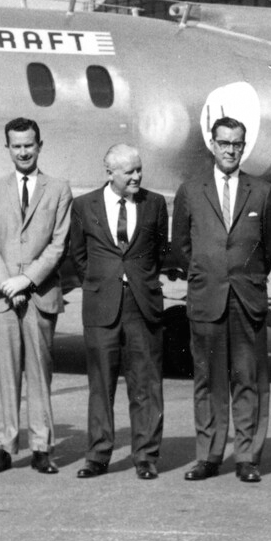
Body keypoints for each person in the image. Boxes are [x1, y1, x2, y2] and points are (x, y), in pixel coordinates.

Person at [172, 116, 271, 483]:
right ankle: (209, 455)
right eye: (224, 143)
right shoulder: (190, 190)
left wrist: (244, 277)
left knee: (248, 378)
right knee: (208, 380)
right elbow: (181, 246)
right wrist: (209, 274)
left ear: (244, 145)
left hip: (246, 299)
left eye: (237, 144)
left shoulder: (263, 192)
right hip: (207, 297)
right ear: (212, 144)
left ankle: (248, 455)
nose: (230, 150)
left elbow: (270, 248)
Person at [68, 143, 172, 479]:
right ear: (109, 171)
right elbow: (79, 256)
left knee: (146, 383)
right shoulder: (84, 206)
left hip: (142, 305)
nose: (137, 176)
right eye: (129, 171)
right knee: (101, 384)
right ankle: (98, 456)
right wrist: (104, 282)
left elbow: (159, 251)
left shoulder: (154, 203)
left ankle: (146, 456)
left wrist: (138, 280)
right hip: (102, 306)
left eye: (139, 169)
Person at [0, 118, 72, 474]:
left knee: (39, 374)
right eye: (16, 146)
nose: (23, 152)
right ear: (8, 149)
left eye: (29, 145)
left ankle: (41, 447)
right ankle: (2, 446)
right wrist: (7, 283)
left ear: (40, 145)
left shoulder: (59, 189)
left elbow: (58, 244)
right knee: (4, 375)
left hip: (40, 294)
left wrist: (26, 280)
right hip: (0, 298)